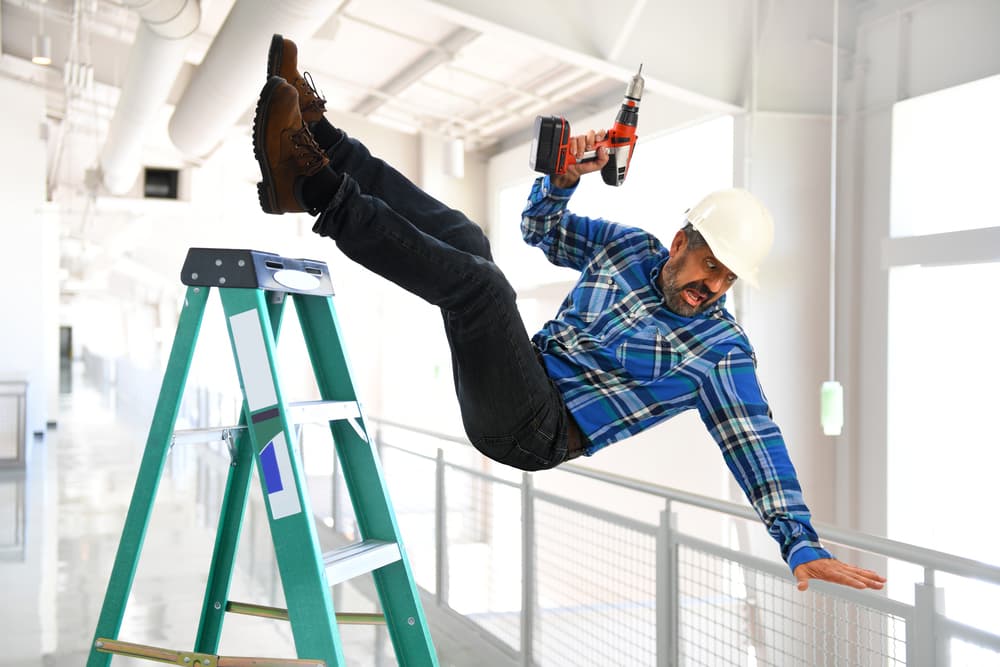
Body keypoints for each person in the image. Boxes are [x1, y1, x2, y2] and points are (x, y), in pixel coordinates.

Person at [253, 34, 886, 593]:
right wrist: (562, 179)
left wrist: (799, 543)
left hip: (535, 431)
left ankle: (313, 188)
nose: (713, 286)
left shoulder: (720, 352)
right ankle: (324, 145)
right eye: (708, 264)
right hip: (522, 372)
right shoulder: (627, 248)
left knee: (483, 289)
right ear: (680, 242)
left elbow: (758, 445)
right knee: (472, 241)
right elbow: (539, 228)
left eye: (727, 278)